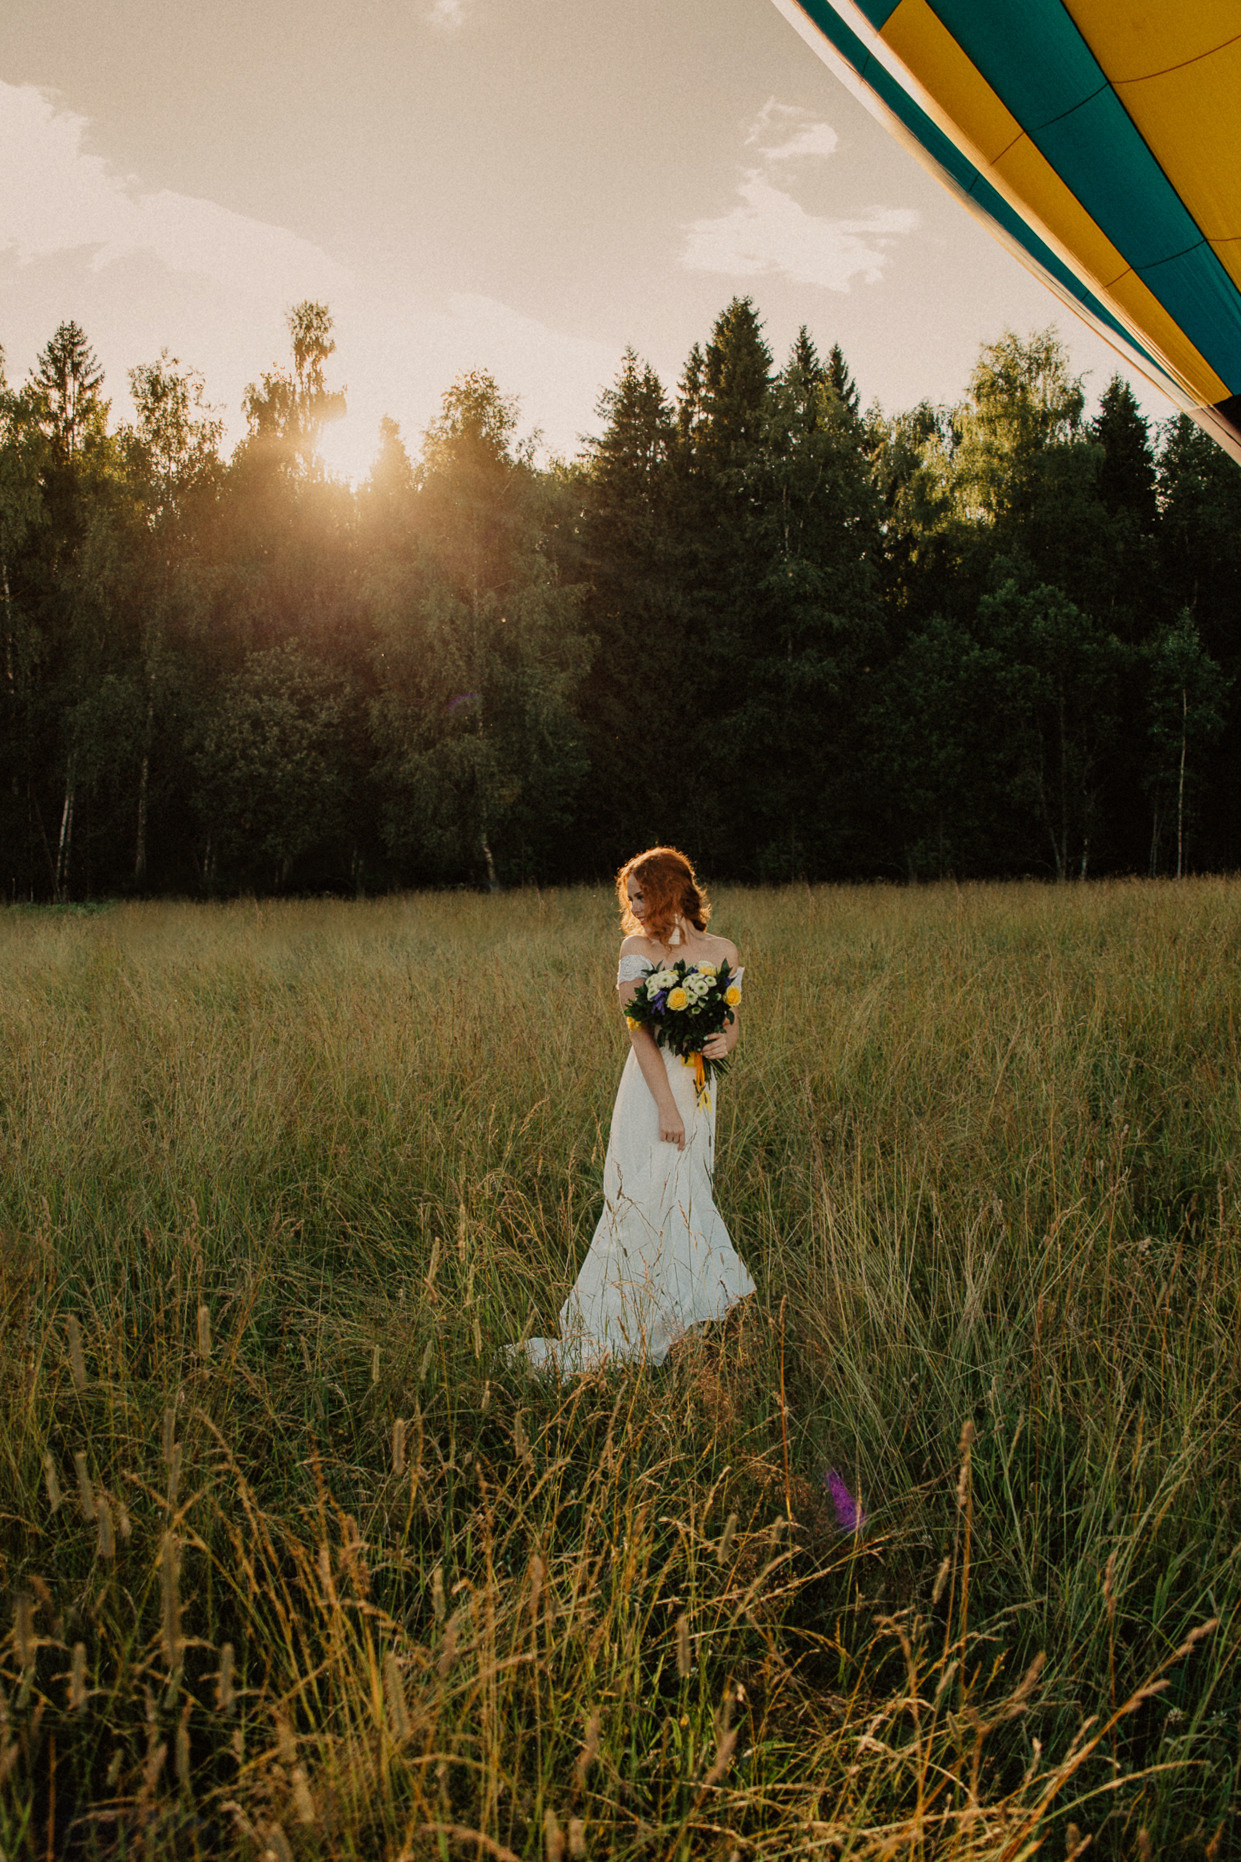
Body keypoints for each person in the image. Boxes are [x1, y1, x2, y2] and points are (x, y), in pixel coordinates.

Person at [517, 846, 755, 1375]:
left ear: (671, 890)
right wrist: (666, 1109)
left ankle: (678, 1323)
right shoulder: (637, 947)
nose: (636, 907)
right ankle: (626, 1321)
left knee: (687, 1196)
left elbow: (733, 1018)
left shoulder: (723, 950)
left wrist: (726, 1041)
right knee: (642, 1198)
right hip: (652, 1094)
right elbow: (640, 1034)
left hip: (698, 1090)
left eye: (642, 895)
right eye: (632, 898)